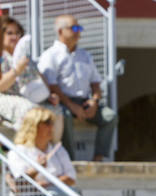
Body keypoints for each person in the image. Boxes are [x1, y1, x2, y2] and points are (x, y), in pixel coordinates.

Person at [37, 15, 117, 162]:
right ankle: (70, 161)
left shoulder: (85, 56)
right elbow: (52, 86)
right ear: (61, 31)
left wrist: (94, 101)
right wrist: (71, 105)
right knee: (64, 116)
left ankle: (98, 158)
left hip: (85, 101)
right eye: (74, 28)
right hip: (62, 102)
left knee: (109, 116)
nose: (78, 31)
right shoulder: (50, 55)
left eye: (79, 28)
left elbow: (95, 83)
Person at [0, 16, 60, 138]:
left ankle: (52, 149)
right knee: (29, 109)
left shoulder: (25, 58)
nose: (14, 37)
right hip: (0, 97)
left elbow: (39, 79)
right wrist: (17, 70)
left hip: (25, 96)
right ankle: (28, 148)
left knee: (55, 110)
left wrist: (49, 96)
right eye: (10, 33)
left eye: (18, 33)